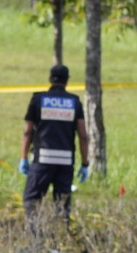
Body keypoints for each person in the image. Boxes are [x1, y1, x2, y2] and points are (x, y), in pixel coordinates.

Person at [20, 64, 89, 230]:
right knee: (62, 205)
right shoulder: (75, 102)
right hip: (65, 163)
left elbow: (27, 132)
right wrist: (85, 164)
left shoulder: (38, 99)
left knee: (32, 200)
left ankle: (36, 237)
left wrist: (23, 158)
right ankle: (60, 238)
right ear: (67, 81)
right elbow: (83, 135)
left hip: (42, 160)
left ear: (50, 79)